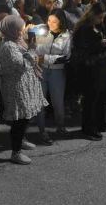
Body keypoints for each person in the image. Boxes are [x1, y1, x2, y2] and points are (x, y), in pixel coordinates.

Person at [0, 15, 48, 165]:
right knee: (19, 120)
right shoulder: (8, 46)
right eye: (19, 30)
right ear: (11, 30)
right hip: (16, 89)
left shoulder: (17, 42)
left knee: (25, 117)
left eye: (21, 29)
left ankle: (21, 140)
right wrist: (31, 51)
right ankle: (16, 152)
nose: (21, 32)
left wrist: (31, 47)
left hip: (24, 85)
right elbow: (22, 65)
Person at [72, 3, 106, 140]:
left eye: (103, 17)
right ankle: (88, 128)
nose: (102, 20)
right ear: (92, 15)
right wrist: (100, 45)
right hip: (90, 69)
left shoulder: (99, 26)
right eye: (99, 17)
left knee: (102, 96)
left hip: (101, 65)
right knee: (91, 99)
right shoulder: (84, 29)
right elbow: (83, 49)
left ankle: (100, 123)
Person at [35, 9, 71, 141]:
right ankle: (42, 130)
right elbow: (29, 40)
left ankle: (60, 126)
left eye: (54, 21)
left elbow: (66, 57)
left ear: (61, 22)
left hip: (57, 72)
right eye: (49, 20)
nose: (50, 23)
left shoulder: (67, 36)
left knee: (58, 102)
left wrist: (45, 58)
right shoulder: (42, 31)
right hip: (41, 70)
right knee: (40, 102)